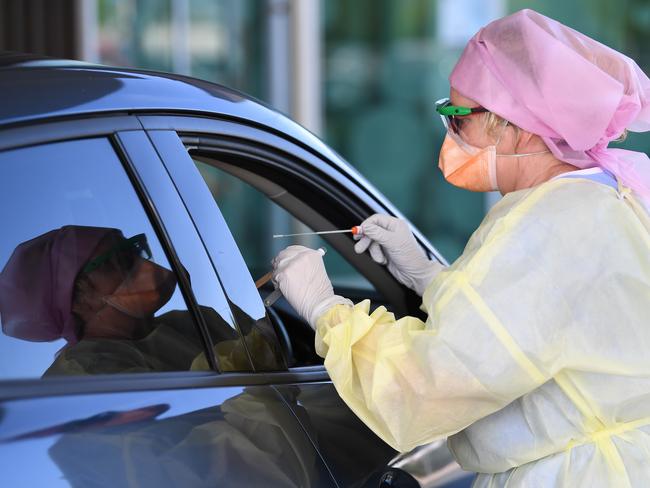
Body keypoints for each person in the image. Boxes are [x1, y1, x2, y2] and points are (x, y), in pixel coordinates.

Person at [272, 9, 650, 487]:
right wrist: (428, 275)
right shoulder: (602, 196)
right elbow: (534, 328)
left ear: (519, 126)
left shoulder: (547, 224)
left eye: (458, 118)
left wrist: (327, 312)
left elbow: (431, 387)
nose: (449, 135)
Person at [0, 225, 283, 375]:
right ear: (76, 300)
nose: (141, 265)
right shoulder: (85, 377)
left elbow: (265, 364)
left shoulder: (188, 322)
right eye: (118, 261)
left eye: (133, 250)